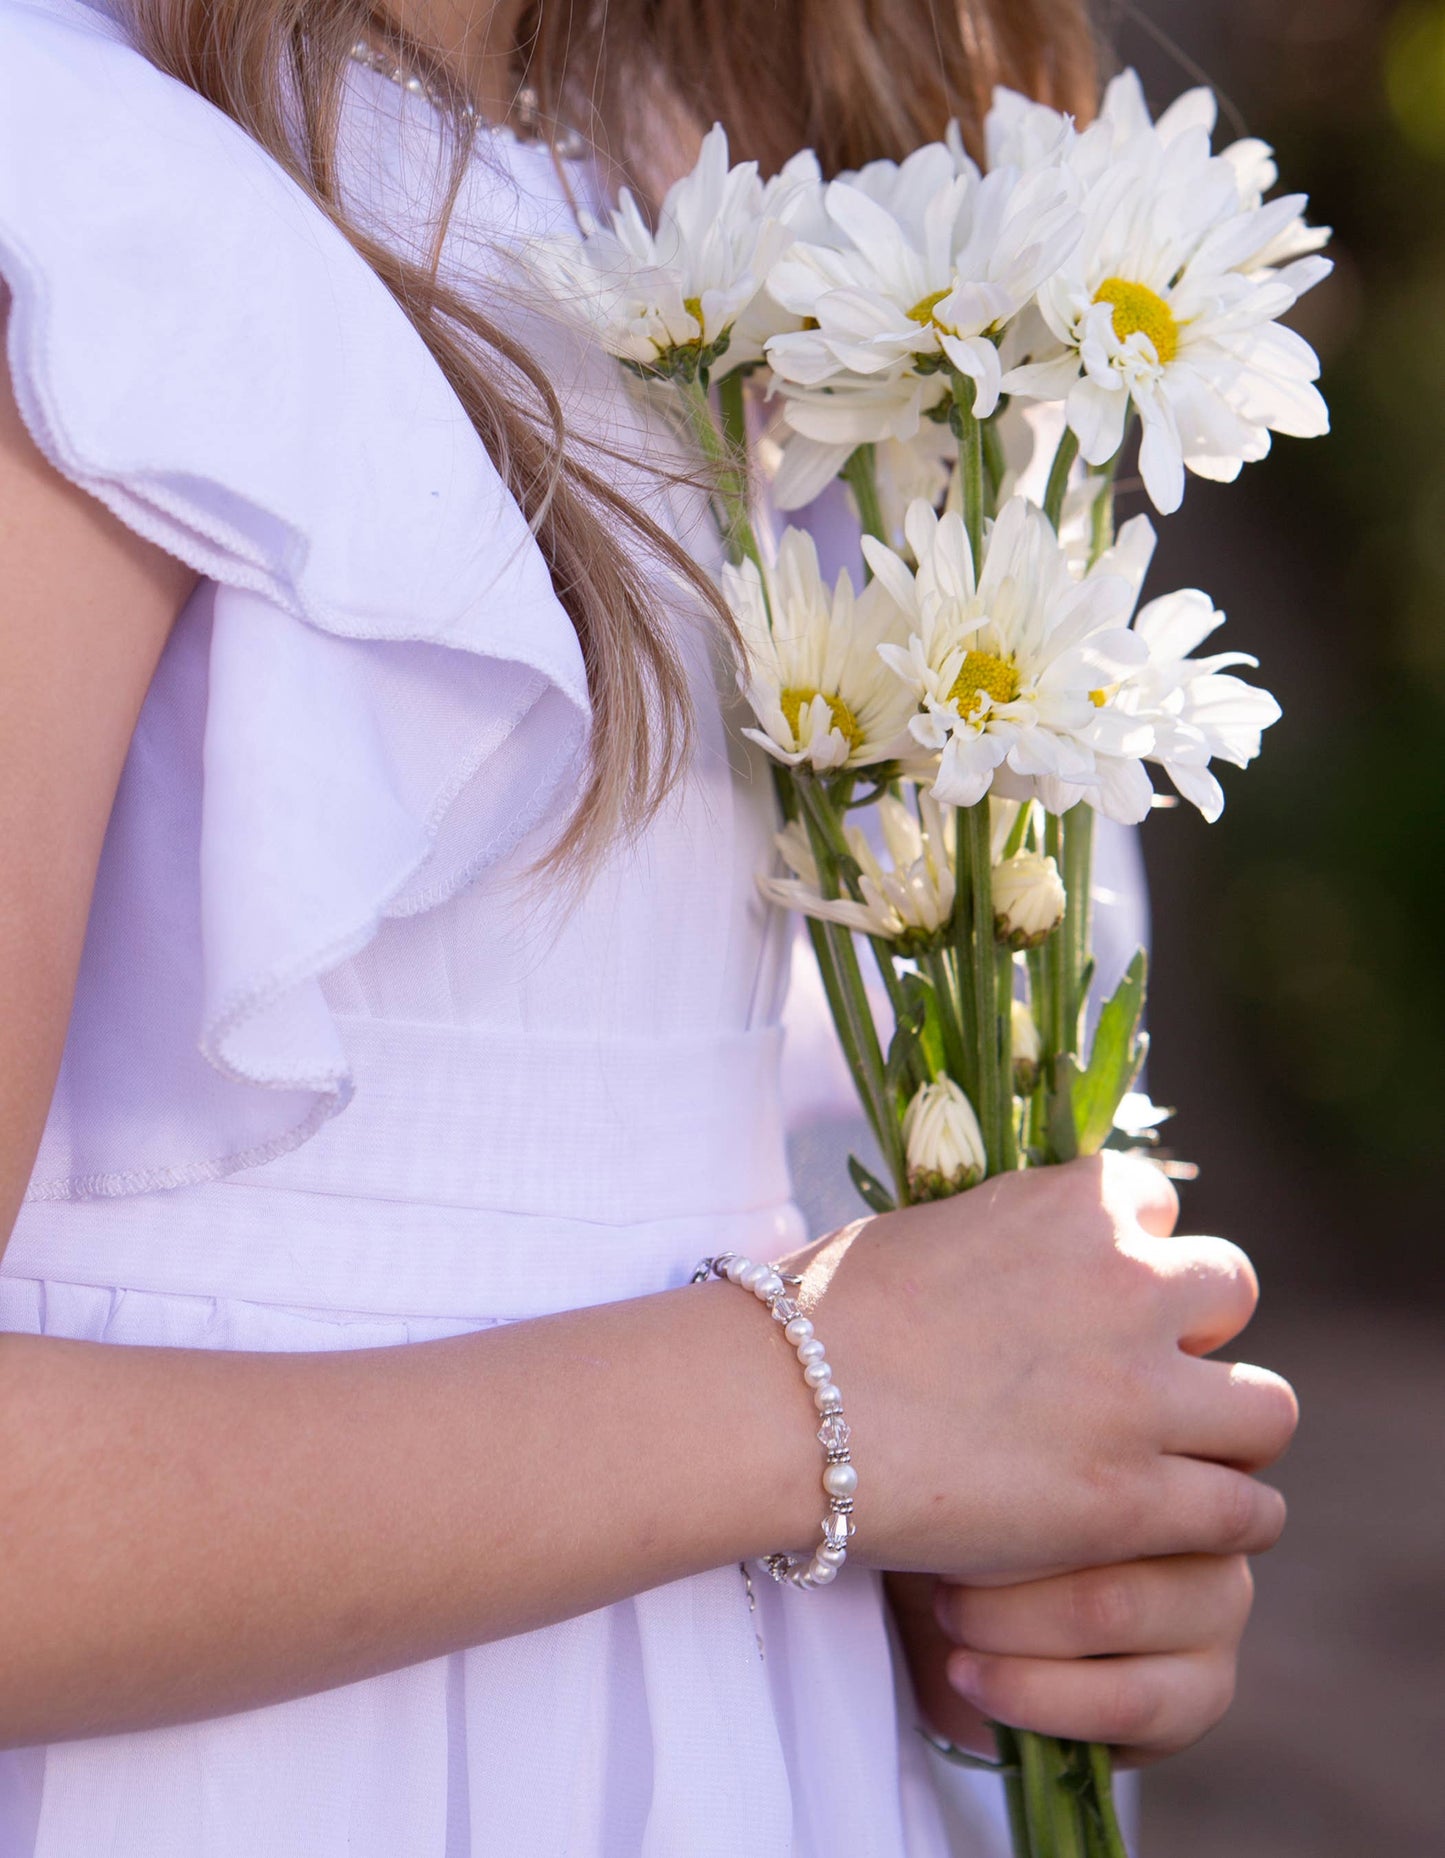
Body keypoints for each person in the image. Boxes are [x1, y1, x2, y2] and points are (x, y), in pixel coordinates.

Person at [0, 0, 1299, 1851]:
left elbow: (751, 1219)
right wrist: (822, 1399)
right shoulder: (72, 194)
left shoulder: (804, 214)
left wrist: (1003, 1530)